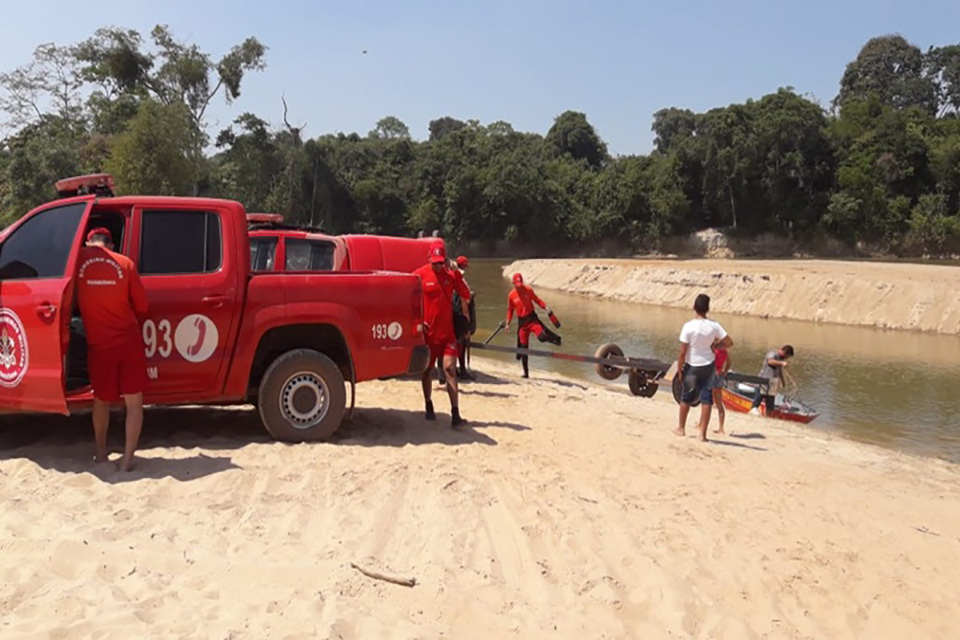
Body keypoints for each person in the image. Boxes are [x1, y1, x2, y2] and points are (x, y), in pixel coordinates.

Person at [76, 227, 149, 471]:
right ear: (112, 244)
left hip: (100, 345)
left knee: (101, 400)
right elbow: (142, 305)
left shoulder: (77, 262)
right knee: (134, 402)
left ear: (88, 241)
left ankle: (101, 453)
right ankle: (127, 460)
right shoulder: (126, 264)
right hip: (128, 341)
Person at [414, 244, 471, 427]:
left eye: (440, 263)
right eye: (434, 263)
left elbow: (465, 294)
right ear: (429, 259)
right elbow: (408, 296)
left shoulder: (450, 275)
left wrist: (456, 274)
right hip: (428, 335)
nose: (437, 267)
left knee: (449, 369)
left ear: (445, 260)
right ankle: (428, 404)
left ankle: (455, 414)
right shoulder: (420, 275)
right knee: (427, 371)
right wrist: (417, 321)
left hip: (447, 334)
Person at [676, 293, 733, 442]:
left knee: (686, 397)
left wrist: (679, 368)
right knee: (707, 399)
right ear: (707, 309)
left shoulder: (688, 326)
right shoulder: (714, 326)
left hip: (692, 364)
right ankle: (702, 434)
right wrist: (715, 345)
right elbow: (729, 343)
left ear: (694, 307)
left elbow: (683, 352)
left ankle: (681, 428)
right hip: (708, 364)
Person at [504, 273, 561, 378]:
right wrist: (508, 323)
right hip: (522, 324)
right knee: (523, 349)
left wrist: (546, 307)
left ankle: (554, 339)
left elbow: (537, 300)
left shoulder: (528, 290)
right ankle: (526, 373)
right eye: (517, 284)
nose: (520, 286)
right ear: (513, 284)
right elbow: (510, 310)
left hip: (532, 320)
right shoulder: (511, 295)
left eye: (521, 283)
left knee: (542, 337)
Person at [749, 345, 795, 415]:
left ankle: (768, 417)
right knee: (758, 399)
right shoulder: (772, 353)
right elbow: (770, 362)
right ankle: (752, 413)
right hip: (763, 381)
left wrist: (782, 381)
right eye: (787, 356)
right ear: (784, 352)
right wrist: (781, 363)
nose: (786, 358)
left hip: (772, 383)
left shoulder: (780, 359)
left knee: (770, 404)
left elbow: (779, 371)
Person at [453, 255, 477, 380]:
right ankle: (462, 370)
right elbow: (464, 304)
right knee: (461, 345)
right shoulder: (460, 282)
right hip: (460, 317)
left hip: (452, 317)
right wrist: (467, 326)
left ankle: (455, 369)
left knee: (456, 345)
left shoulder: (450, 279)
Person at [711, 343, 731, 434]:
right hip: (720, 376)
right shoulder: (724, 351)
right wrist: (725, 371)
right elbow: (729, 363)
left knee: (706, 401)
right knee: (719, 403)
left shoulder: (714, 350)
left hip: (712, 375)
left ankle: (701, 424)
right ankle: (721, 427)